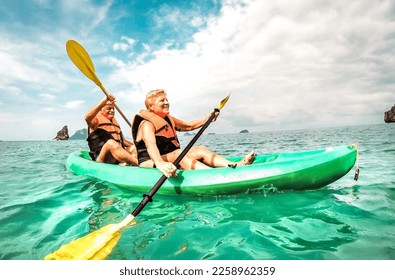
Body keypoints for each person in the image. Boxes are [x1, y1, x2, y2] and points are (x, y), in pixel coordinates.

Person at [131, 89, 255, 177]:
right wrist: (160, 164)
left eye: (167, 99)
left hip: (170, 157)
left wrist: (207, 119)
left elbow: (189, 126)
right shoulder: (147, 124)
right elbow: (151, 145)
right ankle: (213, 175)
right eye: (161, 100)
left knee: (200, 149)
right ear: (151, 106)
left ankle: (236, 165)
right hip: (150, 162)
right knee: (178, 154)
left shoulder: (168, 119)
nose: (166, 102)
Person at [85, 94, 138, 166]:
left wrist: (139, 146)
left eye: (113, 109)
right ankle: (138, 163)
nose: (112, 111)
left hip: (116, 156)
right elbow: (87, 117)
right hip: (102, 157)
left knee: (134, 148)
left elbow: (124, 141)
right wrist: (103, 101)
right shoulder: (96, 121)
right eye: (109, 108)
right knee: (111, 143)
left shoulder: (114, 123)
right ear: (101, 110)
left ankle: (129, 165)